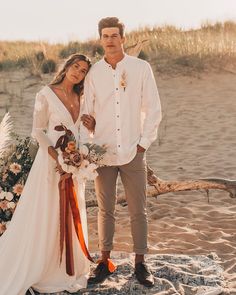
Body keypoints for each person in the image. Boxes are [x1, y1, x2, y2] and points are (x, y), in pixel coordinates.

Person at [0, 53, 95, 294]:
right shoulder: (45, 94)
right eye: (76, 66)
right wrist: (58, 157)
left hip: (73, 166)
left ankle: (66, 266)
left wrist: (79, 155)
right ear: (67, 66)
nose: (78, 72)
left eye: (83, 70)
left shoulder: (81, 97)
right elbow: (38, 131)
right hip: (51, 162)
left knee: (72, 209)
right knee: (47, 211)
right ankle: (43, 264)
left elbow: (83, 133)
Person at [81, 17, 162, 287]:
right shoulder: (93, 73)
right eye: (105, 36)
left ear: (123, 38)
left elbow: (153, 108)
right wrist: (90, 131)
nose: (110, 40)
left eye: (115, 35)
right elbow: (86, 111)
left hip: (132, 150)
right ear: (100, 39)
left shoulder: (141, 68)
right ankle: (104, 262)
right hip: (102, 151)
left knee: (138, 209)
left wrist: (143, 143)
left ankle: (140, 264)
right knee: (106, 210)